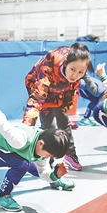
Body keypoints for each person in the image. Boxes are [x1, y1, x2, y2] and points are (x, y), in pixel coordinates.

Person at [0, 78, 74, 213]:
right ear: (41, 144)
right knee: (22, 164)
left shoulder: (44, 144)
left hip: (4, 147)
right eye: (48, 155)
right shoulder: (19, 139)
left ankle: (54, 180)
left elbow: (42, 172)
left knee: (32, 164)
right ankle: (2, 197)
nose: (47, 157)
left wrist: (54, 175)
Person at [23, 42, 90, 171]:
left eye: (81, 72)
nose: (75, 75)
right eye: (72, 69)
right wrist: (26, 128)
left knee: (65, 123)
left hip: (60, 93)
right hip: (43, 91)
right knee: (49, 127)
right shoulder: (50, 64)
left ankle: (70, 153)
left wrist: (67, 105)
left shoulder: (77, 71)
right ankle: (48, 158)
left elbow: (73, 88)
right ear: (66, 63)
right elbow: (36, 99)